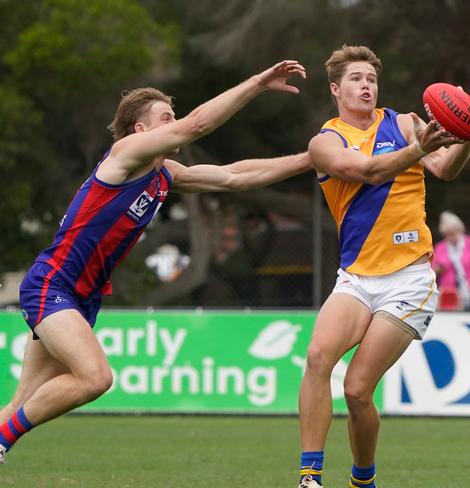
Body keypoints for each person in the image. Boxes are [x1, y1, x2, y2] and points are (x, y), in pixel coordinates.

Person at [0, 60, 311, 464]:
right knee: (95, 378)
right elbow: (197, 125)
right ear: (141, 131)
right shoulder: (124, 155)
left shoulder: (165, 174)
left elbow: (236, 176)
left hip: (79, 297)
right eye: (167, 117)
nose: (176, 122)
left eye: (175, 115)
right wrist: (257, 83)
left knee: (20, 402)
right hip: (52, 285)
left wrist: (310, 159)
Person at [297, 45, 470, 488]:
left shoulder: (403, 123)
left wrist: (469, 137)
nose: (367, 85)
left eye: (372, 78)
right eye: (356, 78)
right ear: (335, 88)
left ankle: (363, 479)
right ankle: (309, 477)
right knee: (317, 356)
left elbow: (444, 168)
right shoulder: (325, 143)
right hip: (357, 278)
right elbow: (368, 172)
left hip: (409, 279)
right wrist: (418, 147)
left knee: (358, 390)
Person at [431, 211, 470, 309]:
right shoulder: (440, 247)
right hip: (448, 297)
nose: (450, 238)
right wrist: (439, 268)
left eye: (453, 233)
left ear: (460, 229)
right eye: (447, 234)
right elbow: (432, 271)